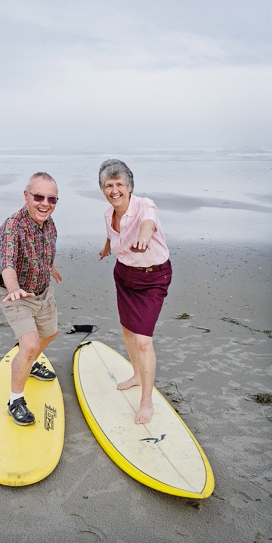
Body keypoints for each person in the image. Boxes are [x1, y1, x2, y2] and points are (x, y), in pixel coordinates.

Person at [98, 159, 171, 425]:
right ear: (103, 189)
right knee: (128, 330)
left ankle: (147, 402)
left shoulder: (145, 205)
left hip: (153, 277)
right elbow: (111, 233)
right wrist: (107, 247)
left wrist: (144, 236)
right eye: (109, 185)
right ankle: (137, 375)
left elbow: (147, 224)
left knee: (143, 340)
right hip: (124, 274)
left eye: (119, 184)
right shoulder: (108, 214)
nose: (114, 190)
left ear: (129, 187)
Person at [0, 172, 62, 425]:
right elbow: (7, 263)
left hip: (42, 290)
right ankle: (15, 400)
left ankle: (27, 364)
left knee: (50, 334)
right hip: (15, 294)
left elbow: (44, 249)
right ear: (26, 196)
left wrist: (50, 267)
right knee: (29, 345)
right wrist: (13, 287)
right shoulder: (12, 227)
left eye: (52, 199)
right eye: (39, 196)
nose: (45, 203)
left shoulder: (48, 223)